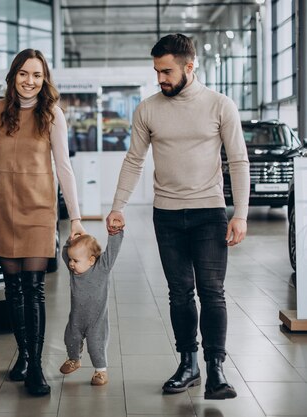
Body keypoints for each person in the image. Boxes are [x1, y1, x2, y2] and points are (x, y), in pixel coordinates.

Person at [105, 34, 249, 400]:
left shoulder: (220, 105)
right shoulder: (148, 109)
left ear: (190, 66)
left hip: (209, 213)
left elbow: (238, 161)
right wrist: (118, 205)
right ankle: (189, 364)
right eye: (156, 71)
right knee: (179, 293)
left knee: (212, 293)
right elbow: (134, 160)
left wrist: (241, 214)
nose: (160, 79)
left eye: (166, 71)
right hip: (166, 215)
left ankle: (216, 369)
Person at [0, 48, 85, 396]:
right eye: (24, 73)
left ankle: (35, 366)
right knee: (13, 289)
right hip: (2, 209)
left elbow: (63, 167)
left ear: (44, 79)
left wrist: (76, 218)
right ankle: (23, 355)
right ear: (13, 75)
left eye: (37, 75)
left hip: (38, 210)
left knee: (33, 288)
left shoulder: (52, 114)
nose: (30, 81)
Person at [59, 227, 123, 386]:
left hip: (97, 321)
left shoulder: (102, 268)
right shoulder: (73, 271)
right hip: (76, 319)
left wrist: (115, 233)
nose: (71, 264)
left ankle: (101, 371)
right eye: (71, 260)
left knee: (96, 346)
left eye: (75, 261)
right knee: (70, 339)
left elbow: (112, 251)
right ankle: (74, 359)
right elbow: (65, 253)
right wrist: (71, 240)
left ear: (91, 260)